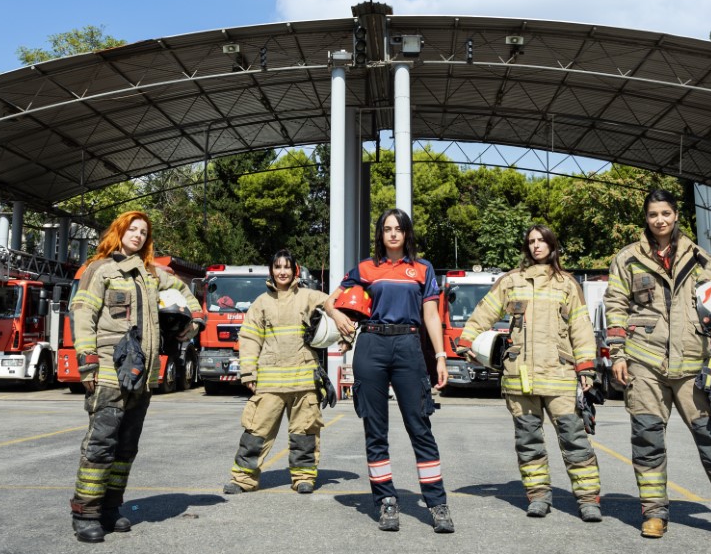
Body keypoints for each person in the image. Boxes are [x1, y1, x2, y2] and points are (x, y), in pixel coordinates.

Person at [604, 189, 711, 544]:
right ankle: (654, 514)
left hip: (693, 367)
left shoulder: (700, 258)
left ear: (675, 216)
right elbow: (614, 307)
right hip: (645, 364)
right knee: (647, 442)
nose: (659, 219)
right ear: (646, 218)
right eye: (653, 214)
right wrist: (618, 355)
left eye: (665, 213)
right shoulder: (627, 259)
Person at [67, 211, 204, 543]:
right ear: (120, 231)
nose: (138, 235)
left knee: (126, 448)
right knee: (101, 446)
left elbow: (186, 292)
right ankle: (85, 513)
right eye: (133, 229)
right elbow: (82, 313)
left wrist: (195, 321)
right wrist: (86, 362)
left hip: (143, 378)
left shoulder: (151, 274)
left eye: (144, 231)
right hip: (108, 371)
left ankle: (112, 509)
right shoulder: (99, 270)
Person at [455, 224, 603, 522]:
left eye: (542, 241)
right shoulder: (512, 281)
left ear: (552, 245)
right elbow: (484, 312)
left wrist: (586, 366)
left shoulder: (567, 284)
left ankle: (588, 500)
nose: (536, 246)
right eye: (531, 241)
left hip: (559, 376)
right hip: (518, 376)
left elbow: (581, 328)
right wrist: (465, 342)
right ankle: (538, 496)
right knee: (528, 440)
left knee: (574, 438)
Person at [324, 208, 455, 534]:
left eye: (399, 228)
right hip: (371, 346)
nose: (393, 234)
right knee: (375, 429)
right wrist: (339, 317)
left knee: (420, 427)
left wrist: (440, 355)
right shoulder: (367, 268)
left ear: (407, 234)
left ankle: (437, 503)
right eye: (387, 229)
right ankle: (385, 501)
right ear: (380, 234)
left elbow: (430, 315)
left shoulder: (422, 269)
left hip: (409, 347)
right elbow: (332, 301)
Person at [223, 249, 330, 495]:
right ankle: (243, 479)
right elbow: (249, 338)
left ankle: (304, 477)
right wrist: (248, 373)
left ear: (296, 269)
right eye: (278, 267)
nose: (282, 272)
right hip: (269, 382)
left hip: (303, 379)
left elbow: (337, 306)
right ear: (272, 271)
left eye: (287, 267)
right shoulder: (261, 303)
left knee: (305, 433)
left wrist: (345, 333)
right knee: (255, 432)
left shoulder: (310, 297)